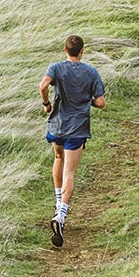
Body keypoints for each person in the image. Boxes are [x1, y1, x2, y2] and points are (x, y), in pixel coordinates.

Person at [40, 34, 105, 248]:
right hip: (77, 128)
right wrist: (89, 101)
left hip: (57, 125)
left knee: (58, 158)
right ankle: (60, 216)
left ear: (65, 49)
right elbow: (101, 102)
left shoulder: (56, 68)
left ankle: (58, 203)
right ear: (82, 51)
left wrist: (47, 103)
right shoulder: (91, 72)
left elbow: (43, 85)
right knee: (70, 172)